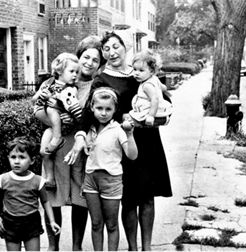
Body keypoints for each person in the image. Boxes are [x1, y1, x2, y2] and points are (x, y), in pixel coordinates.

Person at [67, 31, 172, 251]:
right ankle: (133, 247)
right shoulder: (102, 79)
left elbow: (164, 101)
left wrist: (159, 112)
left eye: (116, 46)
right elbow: (89, 111)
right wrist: (80, 135)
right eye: (106, 49)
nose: (112, 52)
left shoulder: (140, 72)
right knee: (129, 199)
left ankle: (147, 247)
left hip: (148, 140)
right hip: (122, 143)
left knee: (148, 197)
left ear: (125, 47)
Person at [44, 35, 105, 251]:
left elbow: (101, 116)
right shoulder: (60, 80)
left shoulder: (98, 85)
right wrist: (58, 120)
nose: (88, 63)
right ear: (78, 57)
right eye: (85, 57)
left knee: (81, 197)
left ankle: (77, 247)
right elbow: (37, 109)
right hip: (58, 143)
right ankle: (53, 247)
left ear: (100, 65)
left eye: (95, 60)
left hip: (83, 146)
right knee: (53, 196)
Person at [83, 87, 138, 251]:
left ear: (115, 110)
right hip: (91, 179)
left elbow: (132, 155)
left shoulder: (118, 129)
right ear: (92, 107)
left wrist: (130, 135)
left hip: (111, 180)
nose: (103, 113)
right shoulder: (90, 129)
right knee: (95, 223)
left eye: (108, 109)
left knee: (112, 224)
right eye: (99, 108)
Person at [0, 136, 61, 251]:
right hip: (10, 223)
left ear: (32, 160)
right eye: (13, 157)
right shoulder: (3, 179)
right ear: (8, 158)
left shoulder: (37, 181)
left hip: (31, 223)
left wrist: (52, 221)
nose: (17, 161)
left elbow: (46, 202)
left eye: (22, 157)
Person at [32, 52, 82, 189]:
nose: (75, 75)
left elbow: (72, 107)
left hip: (62, 126)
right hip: (51, 127)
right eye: (71, 71)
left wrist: (54, 99)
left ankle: (57, 137)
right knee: (44, 151)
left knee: (52, 108)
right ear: (59, 70)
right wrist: (42, 95)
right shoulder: (48, 83)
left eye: (77, 72)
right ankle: (50, 178)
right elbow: (34, 100)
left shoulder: (71, 89)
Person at [122, 50, 173, 129]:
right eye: (135, 69)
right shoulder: (155, 79)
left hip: (151, 114)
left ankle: (137, 124)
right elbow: (164, 88)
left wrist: (151, 116)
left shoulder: (146, 86)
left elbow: (155, 99)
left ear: (151, 71)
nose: (136, 73)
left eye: (141, 70)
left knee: (127, 121)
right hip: (161, 112)